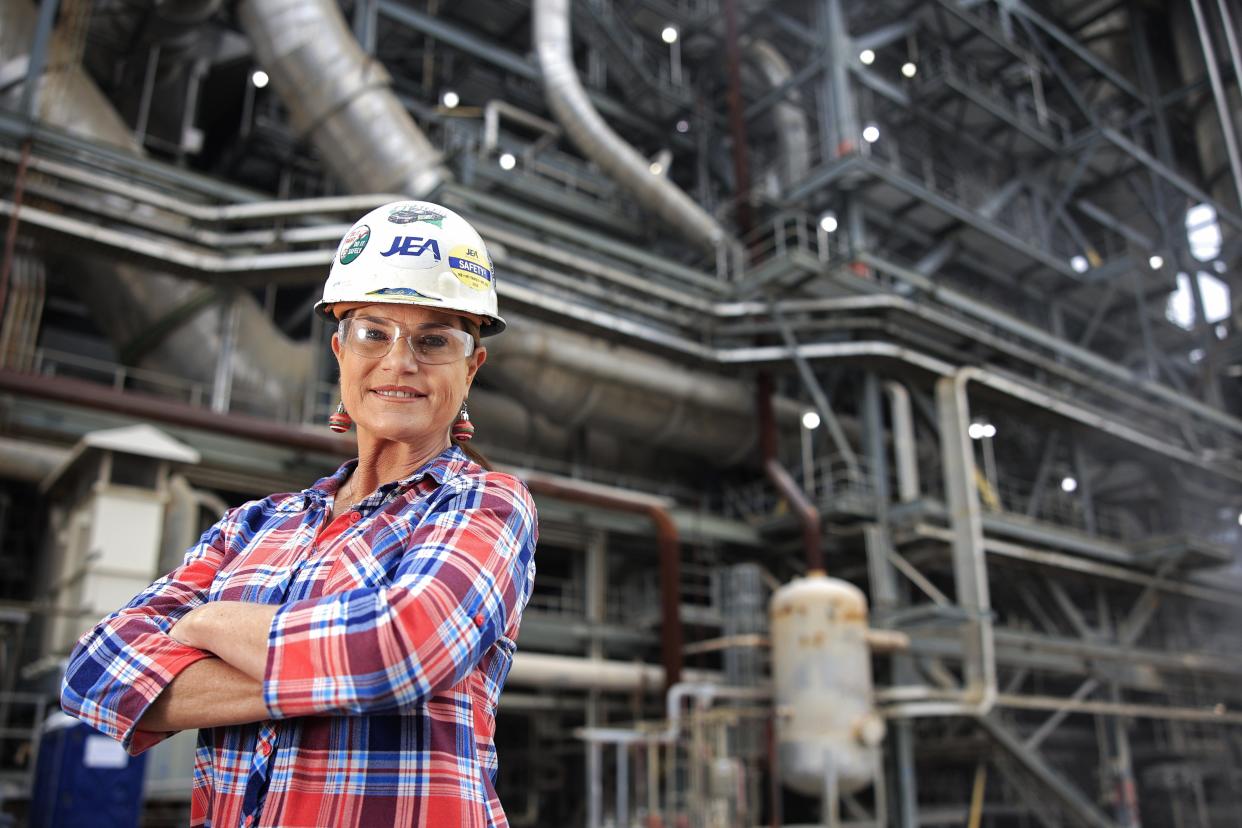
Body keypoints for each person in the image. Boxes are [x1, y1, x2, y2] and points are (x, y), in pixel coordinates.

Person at [60, 201, 538, 828]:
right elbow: (93, 673)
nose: (400, 361)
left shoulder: (486, 503)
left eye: (434, 339)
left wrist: (209, 622)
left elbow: (399, 652)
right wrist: (345, 679)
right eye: (374, 332)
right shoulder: (253, 526)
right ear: (339, 350)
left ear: (471, 367)